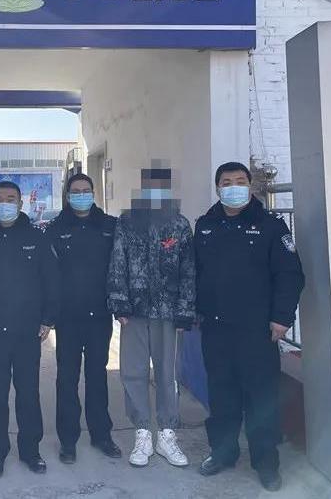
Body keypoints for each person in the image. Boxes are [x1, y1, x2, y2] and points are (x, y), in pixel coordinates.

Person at [195, 162, 304, 492]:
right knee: (222, 395)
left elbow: (289, 275)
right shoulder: (205, 226)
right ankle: (223, 453)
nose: (234, 187)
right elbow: (195, 273)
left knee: (261, 398)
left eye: (240, 181)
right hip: (216, 329)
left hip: (257, 330)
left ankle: (266, 463)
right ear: (218, 188)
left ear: (250, 185)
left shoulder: (271, 226)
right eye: (227, 182)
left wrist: (282, 318)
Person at [107, 166, 195, 469]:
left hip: (168, 314)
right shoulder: (127, 223)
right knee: (133, 372)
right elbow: (117, 262)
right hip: (134, 313)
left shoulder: (180, 225)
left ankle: (167, 434)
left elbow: (188, 270)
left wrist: (185, 310)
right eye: (150, 187)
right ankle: (143, 432)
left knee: (168, 374)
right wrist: (119, 303)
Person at [0, 181, 61, 478]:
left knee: (28, 394)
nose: (4, 204)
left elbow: (51, 280)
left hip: (27, 332)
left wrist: (47, 319)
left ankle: (30, 451)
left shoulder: (36, 239)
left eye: (10, 199)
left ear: (21, 204)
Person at [46, 173, 121, 464]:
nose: (81, 195)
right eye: (75, 191)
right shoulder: (55, 229)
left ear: (93, 193)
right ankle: (68, 440)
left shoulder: (109, 226)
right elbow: (49, 276)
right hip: (68, 318)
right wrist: (50, 313)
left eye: (85, 190)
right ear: (68, 196)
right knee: (67, 378)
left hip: (100, 315)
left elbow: (120, 267)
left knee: (97, 376)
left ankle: (101, 434)